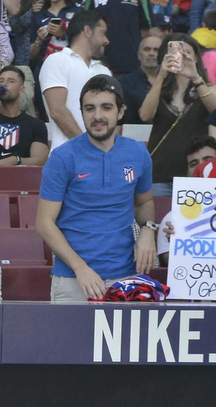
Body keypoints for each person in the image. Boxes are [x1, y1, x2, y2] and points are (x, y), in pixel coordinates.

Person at [36, 74, 153, 300]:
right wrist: (80, 268)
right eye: (89, 109)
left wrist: (148, 228)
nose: (97, 116)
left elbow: (144, 201)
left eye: (106, 107)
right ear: (82, 113)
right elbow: (44, 223)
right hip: (73, 279)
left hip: (125, 276)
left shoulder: (138, 153)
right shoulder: (62, 157)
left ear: (120, 112)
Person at [141, 34, 216, 193]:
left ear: (196, 58)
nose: (181, 57)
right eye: (176, 53)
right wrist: (161, 76)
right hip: (161, 173)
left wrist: (195, 77)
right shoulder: (160, 90)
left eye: (187, 53)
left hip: (196, 173)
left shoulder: (208, 87)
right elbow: (145, 116)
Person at [38, 7, 109, 147]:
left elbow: (113, 115)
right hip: (66, 158)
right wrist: (88, 148)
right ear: (88, 31)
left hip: (102, 159)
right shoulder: (57, 60)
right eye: (103, 33)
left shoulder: (104, 70)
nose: (106, 40)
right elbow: (58, 111)